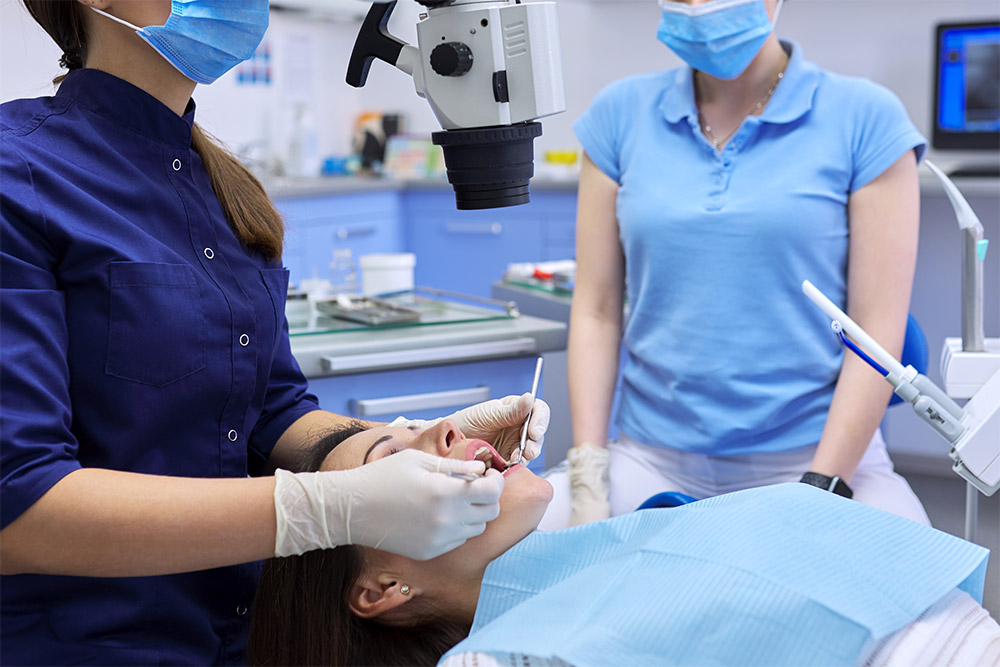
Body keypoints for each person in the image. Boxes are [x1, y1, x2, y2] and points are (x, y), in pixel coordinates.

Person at [0, 1, 548, 663]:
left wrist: (403, 444)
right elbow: (18, 505)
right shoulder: (19, 171)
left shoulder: (229, 192)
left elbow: (276, 413)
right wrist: (322, 509)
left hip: (242, 637)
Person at [555, 0, 930, 529]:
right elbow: (595, 309)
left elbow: (877, 330)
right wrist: (588, 476)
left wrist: (822, 487)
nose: (698, 7)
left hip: (817, 456)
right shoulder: (619, 115)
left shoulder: (866, 118)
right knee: (502, 557)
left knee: (918, 593)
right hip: (651, 459)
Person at [247, 422, 998, 667]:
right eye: (394, 457)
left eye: (417, 421)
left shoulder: (593, 556)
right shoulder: (492, 659)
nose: (441, 428)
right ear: (381, 589)